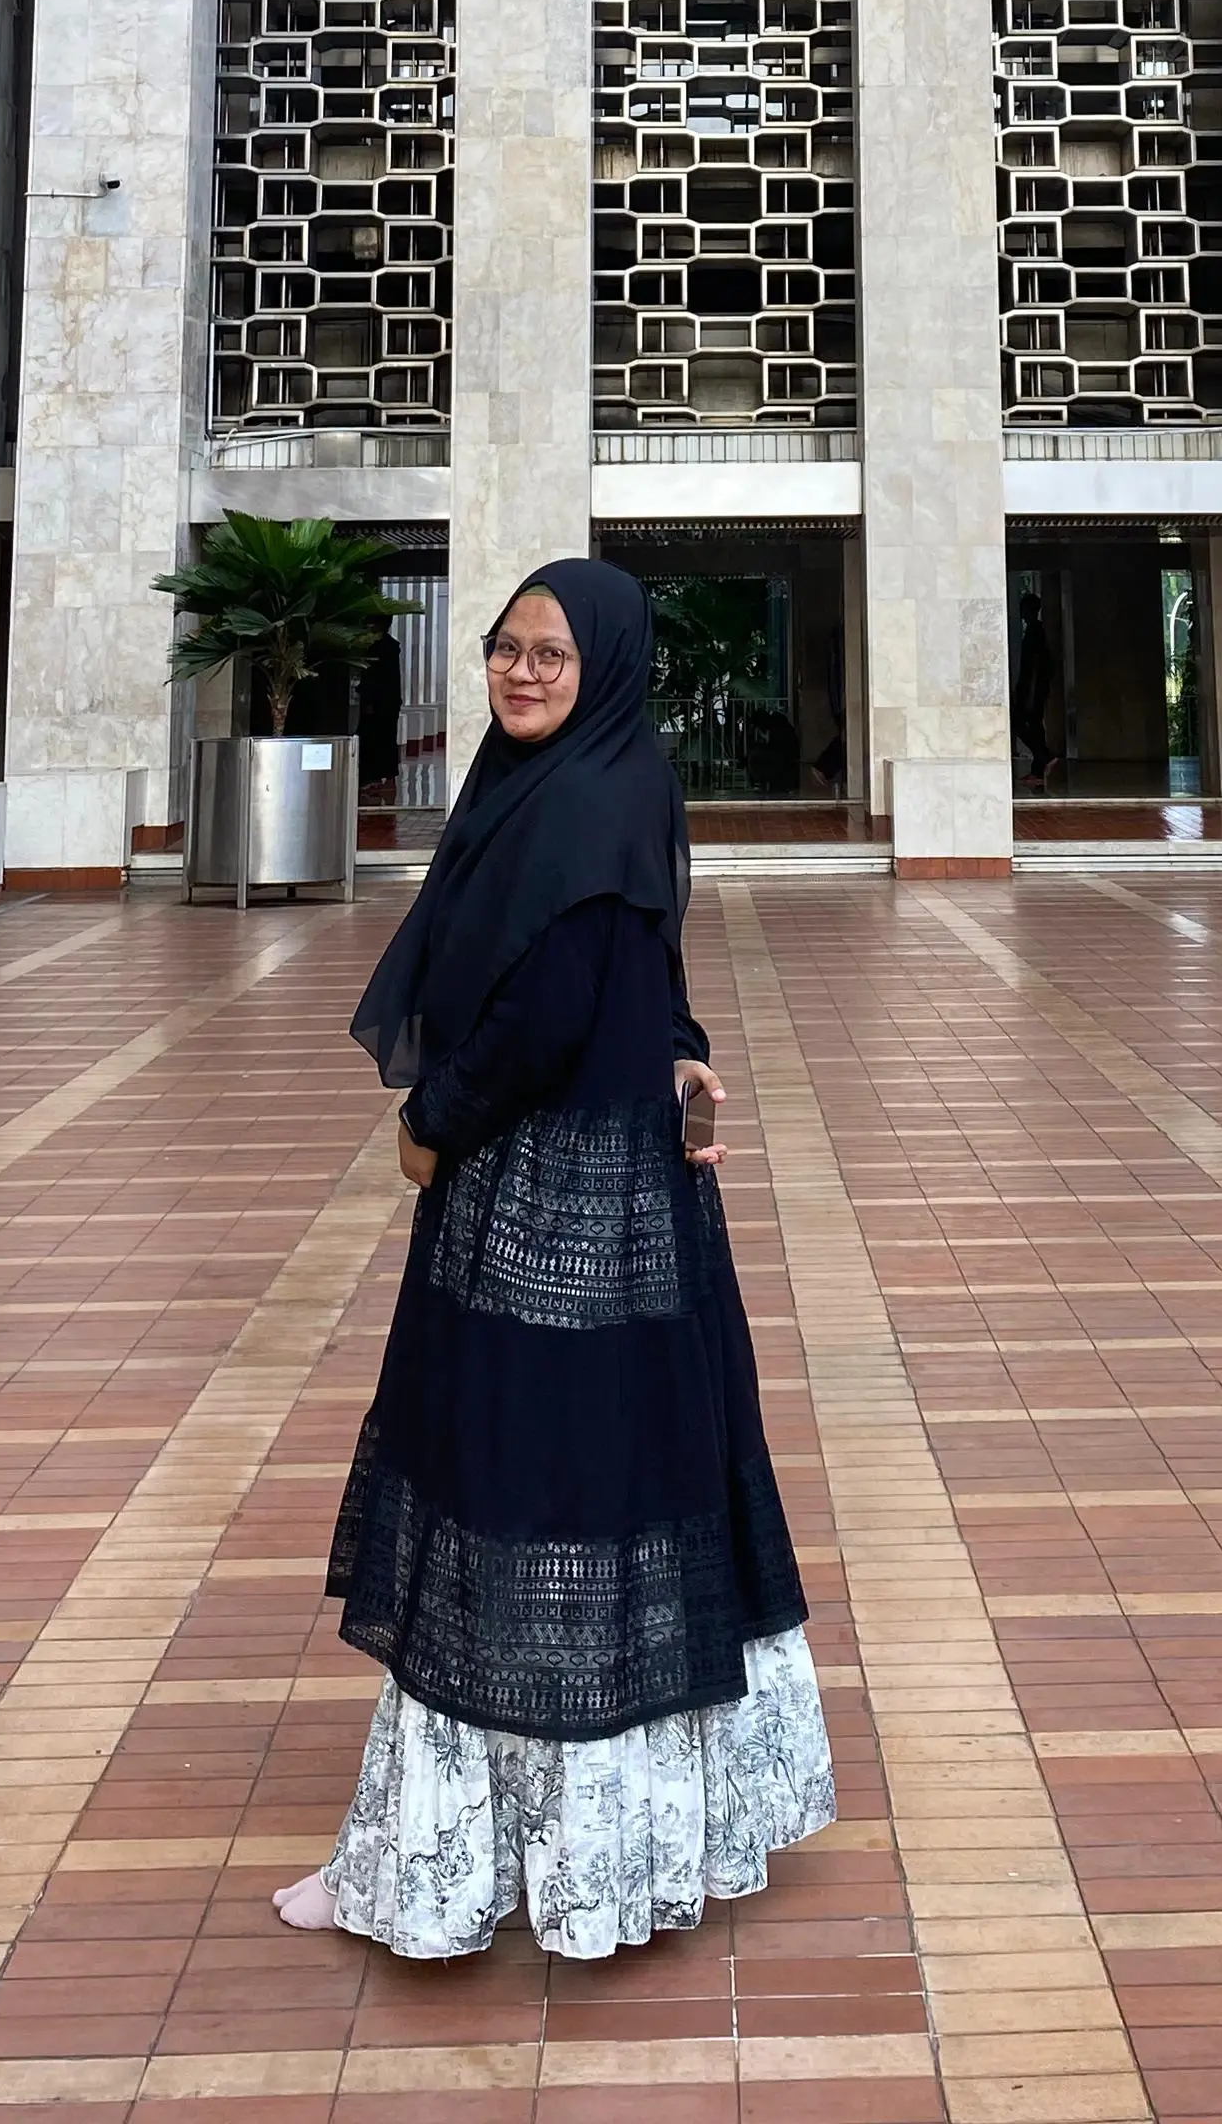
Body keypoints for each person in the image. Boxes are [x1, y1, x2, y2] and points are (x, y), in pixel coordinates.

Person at [274, 559, 833, 1960]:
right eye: (505, 650)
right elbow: (646, 967)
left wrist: (428, 1127)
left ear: (610, 668)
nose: (522, 674)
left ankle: (454, 1866)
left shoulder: (582, 800)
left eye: (553, 656)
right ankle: (611, 1845)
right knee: (611, 1480)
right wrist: (686, 1052)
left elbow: (547, 1007)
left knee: (512, 1489)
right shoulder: (610, 781)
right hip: (623, 1192)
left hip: (542, 1201)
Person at [1011, 595, 1060, 787]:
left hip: (1032, 690)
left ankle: (1044, 757)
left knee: (1021, 724)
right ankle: (1038, 769)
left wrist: (1029, 691)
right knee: (1034, 726)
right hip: (1033, 689)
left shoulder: (1035, 633)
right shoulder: (1035, 632)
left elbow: (1035, 667)